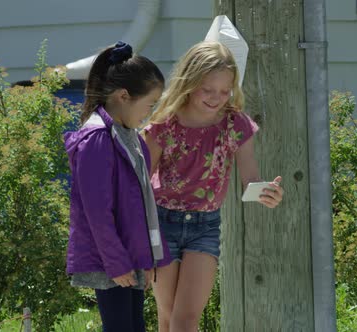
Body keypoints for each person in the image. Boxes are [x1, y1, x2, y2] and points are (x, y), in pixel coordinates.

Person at [142, 41, 284, 331]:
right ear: (189, 82)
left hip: (205, 227)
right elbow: (141, 183)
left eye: (224, 91)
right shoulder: (164, 125)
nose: (216, 98)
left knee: (185, 321)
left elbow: (251, 180)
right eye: (207, 89)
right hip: (161, 223)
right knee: (168, 318)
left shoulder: (235, 124)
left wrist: (266, 192)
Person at [64, 41, 172, 332]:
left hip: (131, 258)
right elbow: (97, 212)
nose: (149, 114)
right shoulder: (96, 139)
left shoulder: (131, 137)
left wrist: (146, 258)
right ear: (124, 96)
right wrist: (117, 263)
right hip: (111, 262)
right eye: (149, 105)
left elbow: (142, 204)